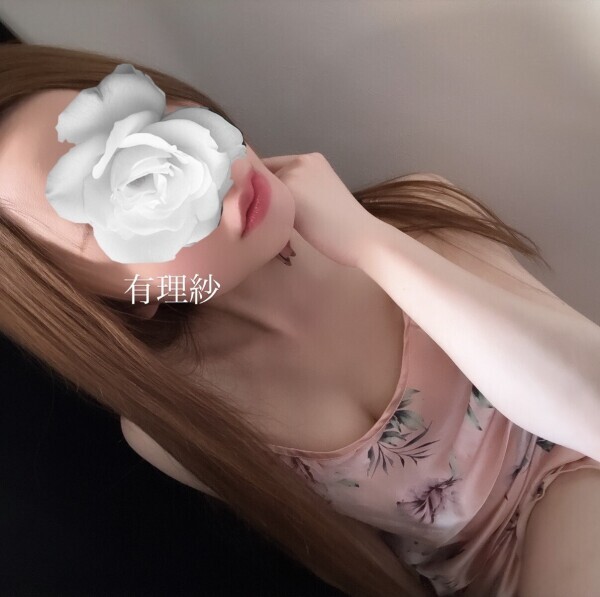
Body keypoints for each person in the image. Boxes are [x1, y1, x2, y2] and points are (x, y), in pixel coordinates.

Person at [1, 43, 599, 597]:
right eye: (120, 197)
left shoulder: (418, 218)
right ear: (105, 296)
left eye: (147, 121)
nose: (204, 168)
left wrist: (372, 245)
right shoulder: (178, 423)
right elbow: (358, 562)